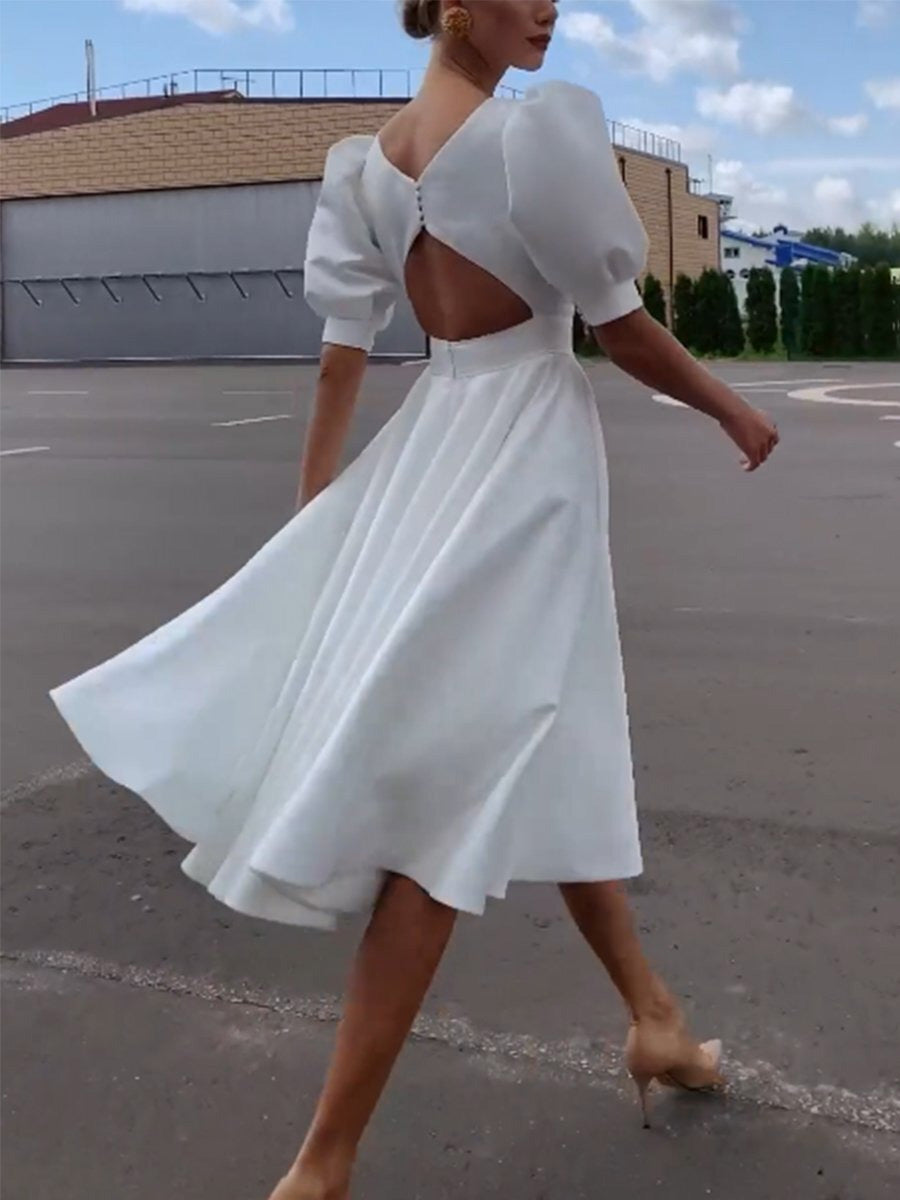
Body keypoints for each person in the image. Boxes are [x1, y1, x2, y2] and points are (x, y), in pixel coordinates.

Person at [49, 2, 779, 1197]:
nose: (549, 7)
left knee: (535, 728)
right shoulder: (532, 137)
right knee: (453, 801)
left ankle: (653, 1016)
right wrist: (734, 409)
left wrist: (318, 517)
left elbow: (341, 359)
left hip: (436, 452)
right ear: (451, 4)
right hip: (524, 466)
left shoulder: (369, 168)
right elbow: (622, 331)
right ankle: (324, 1161)